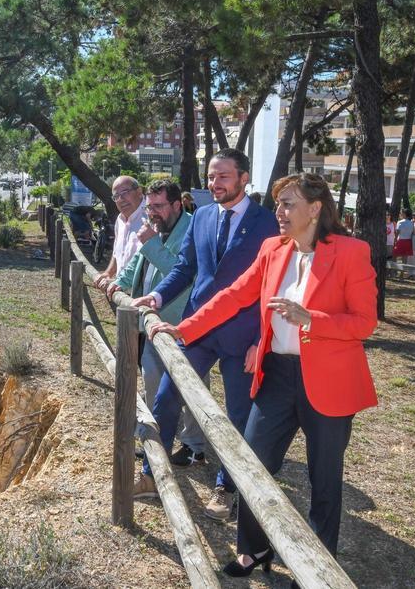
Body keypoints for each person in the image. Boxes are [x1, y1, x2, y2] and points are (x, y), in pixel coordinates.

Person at [147, 172, 378, 577]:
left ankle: (320, 572)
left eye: (288, 203)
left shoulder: (351, 251)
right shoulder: (273, 248)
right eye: (278, 204)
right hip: (276, 377)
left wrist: (313, 319)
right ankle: (253, 551)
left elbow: (364, 323)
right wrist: (185, 329)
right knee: (251, 464)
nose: (279, 212)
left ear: (316, 208)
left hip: (328, 382)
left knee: (324, 481)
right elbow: (235, 295)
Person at [129, 149, 278, 520]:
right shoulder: (202, 218)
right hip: (197, 327)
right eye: (211, 177)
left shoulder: (268, 224)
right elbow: (186, 267)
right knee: (165, 399)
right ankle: (151, 475)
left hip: (243, 336)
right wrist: (159, 294)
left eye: (224, 177)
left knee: (238, 416)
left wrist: (262, 339)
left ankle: (227, 488)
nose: (215, 184)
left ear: (244, 178)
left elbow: (272, 286)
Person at [105, 180, 206, 466]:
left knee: (189, 384)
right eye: (150, 207)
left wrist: (150, 243)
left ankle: (194, 444)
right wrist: (118, 284)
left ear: (177, 205)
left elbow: (180, 272)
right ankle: (156, 440)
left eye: (159, 206)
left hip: (183, 323)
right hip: (153, 322)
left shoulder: (191, 228)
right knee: (152, 382)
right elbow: (139, 262)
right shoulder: (155, 227)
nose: (153, 213)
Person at [94, 176, 146, 290]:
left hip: (140, 295)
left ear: (139, 192)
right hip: (119, 290)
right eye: (116, 196)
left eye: (125, 192)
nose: (121, 199)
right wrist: (108, 273)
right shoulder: (120, 219)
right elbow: (118, 252)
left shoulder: (150, 218)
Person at [392, 209, 415, 276]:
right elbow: (413, 232)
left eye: (401, 213)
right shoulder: (411, 223)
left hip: (401, 240)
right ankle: (402, 274)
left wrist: (394, 241)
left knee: (394, 256)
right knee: (404, 258)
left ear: (404, 214)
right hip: (408, 241)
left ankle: (394, 272)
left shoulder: (400, 222)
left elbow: (397, 233)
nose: (400, 214)